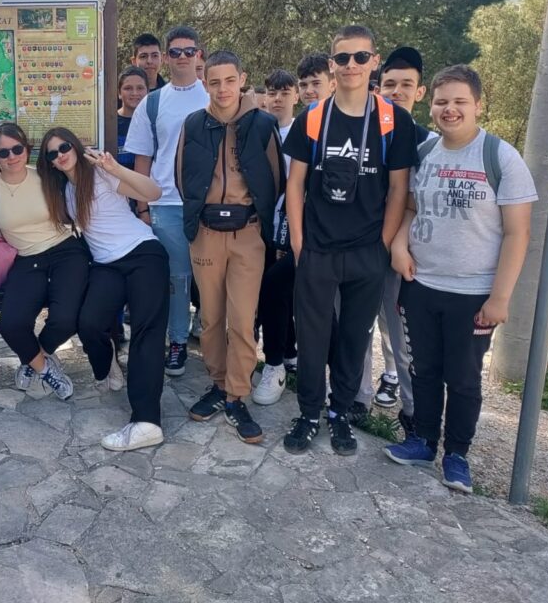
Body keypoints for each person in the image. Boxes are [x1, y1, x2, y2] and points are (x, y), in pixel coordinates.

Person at [385, 65, 535, 493]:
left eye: (459, 102)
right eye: (441, 102)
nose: (449, 110)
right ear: (431, 105)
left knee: (464, 379)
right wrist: (399, 246)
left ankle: (456, 455)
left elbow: (518, 232)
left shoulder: (500, 156)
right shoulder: (425, 152)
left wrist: (500, 297)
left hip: (472, 293)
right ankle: (422, 441)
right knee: (424, 370)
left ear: (478, 105)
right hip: (421, 285)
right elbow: (410, 208)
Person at [281, 25, 415, 455]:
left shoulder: (394, 120)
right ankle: (308, 414)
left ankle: (340, 413)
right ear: (332, 64)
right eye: (342, 58)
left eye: (360, 57)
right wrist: (299, 244)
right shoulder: (314, 117)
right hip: (317, 249)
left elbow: (399, 189)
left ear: (374, 61)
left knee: (354, 340)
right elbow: (295, 185)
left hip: (366, 252)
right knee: (313, 338)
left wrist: (382, 245)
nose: (351, 65)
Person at [176, 51, 284, 443]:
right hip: (207, 232)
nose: (222, 89)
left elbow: (276, 180)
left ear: (242, 79)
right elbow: (182, 176)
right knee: (210, 317)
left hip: (247, 233)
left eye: (229, 80)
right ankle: (219, 385)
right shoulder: (193, 124)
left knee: (241, 319)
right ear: (205, 83)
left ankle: (237, 395)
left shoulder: (263, 124)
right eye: (214, 81)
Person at [38, 127, 169, 452]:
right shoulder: (63, 191)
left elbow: (153, 192)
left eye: (64, 147)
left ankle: (147, 421)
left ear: (75, 146)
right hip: (106, 265)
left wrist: (115, 168)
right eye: (52, 153)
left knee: (146, 333)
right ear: (49, 162)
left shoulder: (101, 173)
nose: (60, 155)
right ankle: (107, 366)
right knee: (89, 323)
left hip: (142, 254)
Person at [0, 123, 91, 400]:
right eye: (3, 152)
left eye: (17, 149)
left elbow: (79, 174)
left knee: (66, 319)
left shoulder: (45, 176)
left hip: (65, 251)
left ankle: (33, 358)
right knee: (10, 324)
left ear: (27, 150)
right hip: (25, 258)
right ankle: (44, 368)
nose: (11, 156)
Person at [355, 46, 434, 430]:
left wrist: (397, 243)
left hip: (404, 255)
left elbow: (418, 203)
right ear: (377, 88)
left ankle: (414, 414)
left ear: (420, 91)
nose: (396, 91)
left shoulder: (429, 144)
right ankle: (357, 399)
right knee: (357, 330)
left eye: (406, 84)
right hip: (360, 247)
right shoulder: (362, 133)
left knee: (401, 338)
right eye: (389, 84)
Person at [124, 25, 210, 377]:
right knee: (176, 278)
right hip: (165, 203)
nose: (182, 57)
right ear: (166, 57)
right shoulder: (153, 102)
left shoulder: (215, 95)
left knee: (212, 278)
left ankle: (216, 343)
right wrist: (143, 207)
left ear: (199, 55)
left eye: (189, 51)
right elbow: (143, 159)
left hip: (210, 203)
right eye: (175, 52)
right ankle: (177, 341)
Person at [253, 69, 300, 405]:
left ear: (295, 95)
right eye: (272, 92)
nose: (278, 99)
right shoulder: (259, 130)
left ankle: (277, 360)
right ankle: (284, 352)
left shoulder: (306, 132)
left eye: (285, 92)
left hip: (294, 227)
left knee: (278, 290)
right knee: (267, 293)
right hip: (261, 225)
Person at [116, 66, 149, 171]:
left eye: (140, 88)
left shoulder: (154, 122)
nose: (134, 93)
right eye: (128, 88)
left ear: (147, 91)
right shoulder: (109, 123)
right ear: (119, 93)